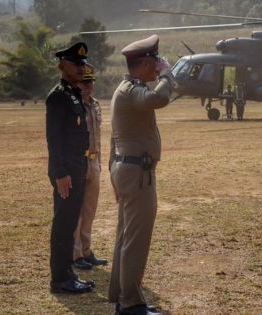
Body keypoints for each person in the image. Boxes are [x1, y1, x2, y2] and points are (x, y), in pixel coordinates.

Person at [108, 35, 174, 315]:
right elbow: (158, 98)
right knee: (136, 239)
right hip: (136, 172)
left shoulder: (126, 88)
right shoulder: (132, 90)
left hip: (129, 169)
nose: (158, 66)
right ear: (146, 62)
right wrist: (168, 75)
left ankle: (119, 293)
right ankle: (131, 304)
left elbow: (113, 138)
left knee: (126, 235)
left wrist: (114, 172)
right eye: (156, 61)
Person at [45, 42, 94, 294]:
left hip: (77, 167)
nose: (81, 67)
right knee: (64, 223)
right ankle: (60, 279)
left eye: (83, 63)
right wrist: (60, 173)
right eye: (76, 63)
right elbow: (53, 139)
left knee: (71, 220)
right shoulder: (57, 97)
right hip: (67, 172)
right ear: (62, 65)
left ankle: (67, 273)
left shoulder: (73, 93)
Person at [72, 63, 108, 270]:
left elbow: (98, 136)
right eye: (84, 82)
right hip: (78, 163)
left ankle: (86, 250)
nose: (88, 86)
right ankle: (75, 254)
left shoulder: (95, 105)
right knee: (76, 211)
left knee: (90, 210)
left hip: (94, 162)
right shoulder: (73, 106)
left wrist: (100, 162)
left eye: (90, 82)